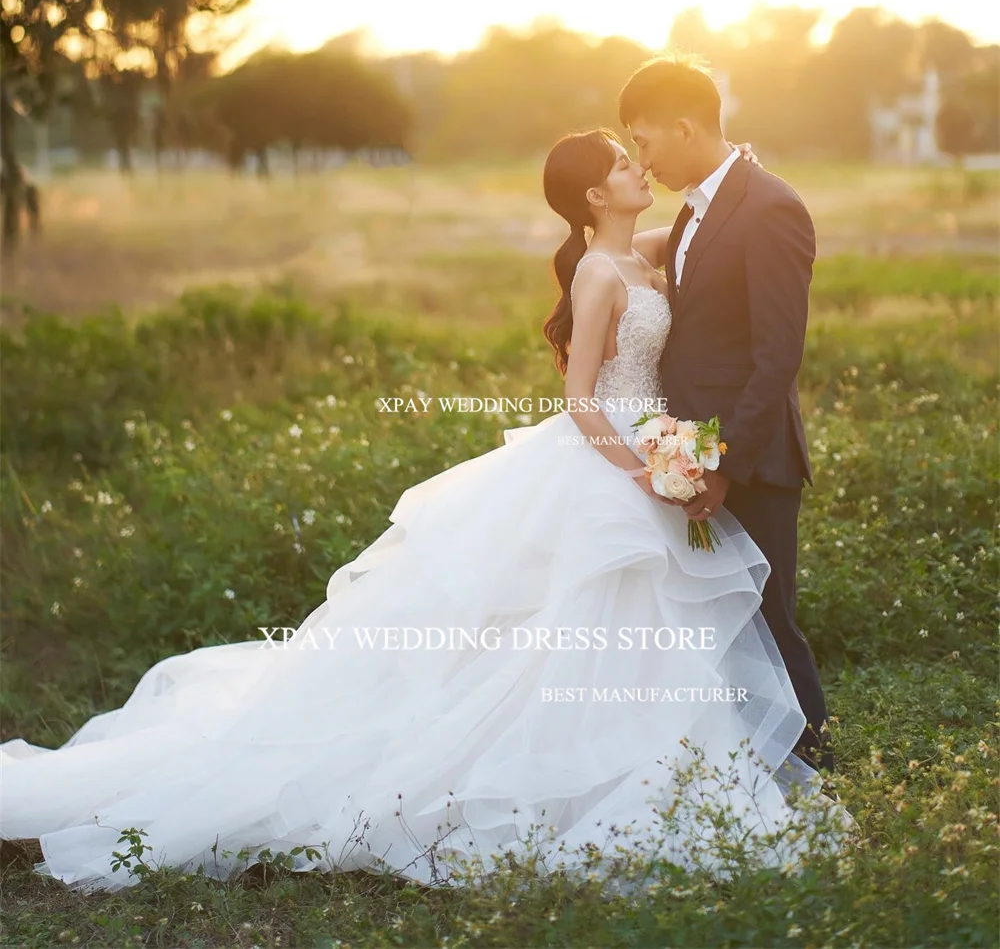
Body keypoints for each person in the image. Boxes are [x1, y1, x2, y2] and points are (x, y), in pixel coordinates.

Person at [0, 126, 851, 896]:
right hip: (613, 465)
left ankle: (647, 762)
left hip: (655, 450)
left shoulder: (644, 257)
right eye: (625, 164)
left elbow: (708, 231)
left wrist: (742, 170)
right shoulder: (598, 273)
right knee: (575, 620)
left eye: (639, 155)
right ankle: (545, 771)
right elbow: (581, 398)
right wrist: (642, 474)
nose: (641, 167)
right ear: (596, 195)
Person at [618, 52, 832, 774]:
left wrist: (721, 463)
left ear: (683, 128)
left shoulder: (770, 207)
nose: (640, 162)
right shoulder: (695, 209)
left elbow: (776, 357)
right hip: (694, 458)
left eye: (644, 142)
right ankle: (738, 775)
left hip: (752, 460)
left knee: (769, 622)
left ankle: (817, 771)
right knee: (715, 625)